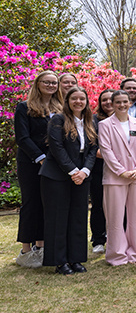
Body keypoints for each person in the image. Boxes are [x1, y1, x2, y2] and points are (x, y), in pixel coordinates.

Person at [40, 87, 97, 275]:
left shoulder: (91, 121)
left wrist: (85, 171)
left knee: (78, 217)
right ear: (67, 101)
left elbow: (93, 149)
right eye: (74, 98)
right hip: (57, 175)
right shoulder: (58, 119)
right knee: (58, 218)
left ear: (86, 102)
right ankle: (60, 261)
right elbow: (56, 147)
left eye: (82, 99)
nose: (78, 102)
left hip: (82, 175)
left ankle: (76, 259)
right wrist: (73, 171)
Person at [14, 71, 61, 268]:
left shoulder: (60, 108)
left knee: (46, 203)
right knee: (31, 203)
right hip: (31, 163)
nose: (50, 85)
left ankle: (40, 247)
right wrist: (40, 158)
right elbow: (22, 138)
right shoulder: (24, 107)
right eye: (46, 82)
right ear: (38, 84)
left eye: (54, 82)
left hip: (54, 162)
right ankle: (25, 251)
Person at [98, 90, 136, 266]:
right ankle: (117, 255)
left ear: (130, 102)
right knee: (115, 218)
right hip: (115, 177)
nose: (122, 105)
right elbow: (106, 150)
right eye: (118, 102)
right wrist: (121, 171)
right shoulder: (105, 125)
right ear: (112, 104)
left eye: (125, 101)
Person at [90, 89, 115, 254]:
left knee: (119, 205)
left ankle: (118, 237)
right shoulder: (93, 121)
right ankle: (98, 239)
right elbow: (92, 146)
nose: (108, 102)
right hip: (98, 168)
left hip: (121, 170)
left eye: (111, 99)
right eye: (104, 100)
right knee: (98, 204)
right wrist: (112, 158)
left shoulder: (125, 120)